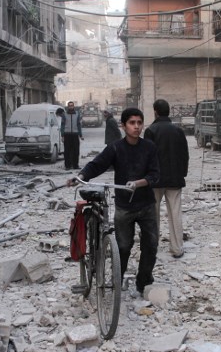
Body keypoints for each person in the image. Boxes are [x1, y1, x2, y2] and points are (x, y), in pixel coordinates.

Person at [67, 108, 160, 294]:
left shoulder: (149, 147)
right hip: (124, 207)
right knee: (123, 246)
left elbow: (155, 175)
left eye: (139, 123)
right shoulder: (116, 148)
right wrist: (81, 175)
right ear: (123, 126)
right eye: (132, 123)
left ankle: (143, 281)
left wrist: (139, 183)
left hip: (147, 205)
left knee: (151, 244)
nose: (136, 127)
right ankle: (118, 278)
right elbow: (98, 164)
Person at [144, 99, 189, 258]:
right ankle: (177, 248)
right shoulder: (178, 131)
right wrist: (182, 174)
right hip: (174, 179)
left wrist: (147, 178)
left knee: (153, 214)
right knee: (175, 213)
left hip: (155, 180)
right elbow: (185, 155)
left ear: (155, 111)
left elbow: (147, 157)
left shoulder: (151, 131)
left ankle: (152, 246)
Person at [60, 101, 83, 170]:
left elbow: (79, 125)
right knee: (67, 151)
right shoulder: (64, 114)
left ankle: (75, 165)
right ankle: (67, 166)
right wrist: (62, 135)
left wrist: (80, 135)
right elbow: (62, 125)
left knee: (76, 151)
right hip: (67, 135)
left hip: (75, 135)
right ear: (68, 106)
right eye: (69, 106)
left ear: (73, 106)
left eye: (72, 105)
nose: (71, 107)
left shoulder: (77, 114)